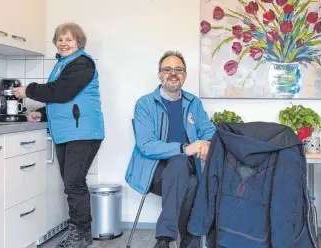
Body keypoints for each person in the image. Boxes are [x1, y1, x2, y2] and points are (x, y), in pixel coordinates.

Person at [13, 22, 105, 248]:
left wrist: (29, 90)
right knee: (73, 183)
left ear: (78, 42)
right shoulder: (64, 64)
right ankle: (82, 234)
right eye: (60, 39)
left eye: (69, 39)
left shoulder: (81, 63)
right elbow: (62, 99)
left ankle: (79, 234)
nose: (64, 43)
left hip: (82, 132)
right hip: (69, 132)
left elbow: (61, 92)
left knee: (73, 183)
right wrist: (41, 113)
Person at [125, 51, 216, 248]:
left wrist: (207, 142)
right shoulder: (145, 104)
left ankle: (164, 239)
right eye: (167, 69)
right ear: (159, 75)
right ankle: (187, 243)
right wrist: (185, 148)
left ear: (185, 75)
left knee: (183, 166)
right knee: (189, 179)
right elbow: (146, 145)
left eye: (178, 69)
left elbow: (208, 129)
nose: (173, 73)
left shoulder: (193, 103)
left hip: (185, 169)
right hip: (154, 172)